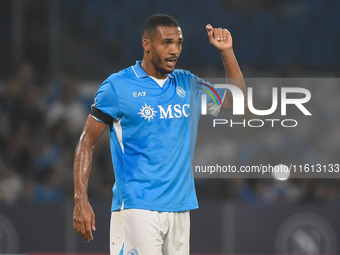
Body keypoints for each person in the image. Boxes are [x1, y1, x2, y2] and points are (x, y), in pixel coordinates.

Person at [73, 14, 245, 255]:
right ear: (147, 45)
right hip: (137, 207)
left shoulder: (188, 84)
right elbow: (86, 143)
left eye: (179, 43)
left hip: (180, 207)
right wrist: (81, 200)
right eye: (166, 43)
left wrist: (227, 51)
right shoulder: (118, 87)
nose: (174, 50)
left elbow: (237, 102)